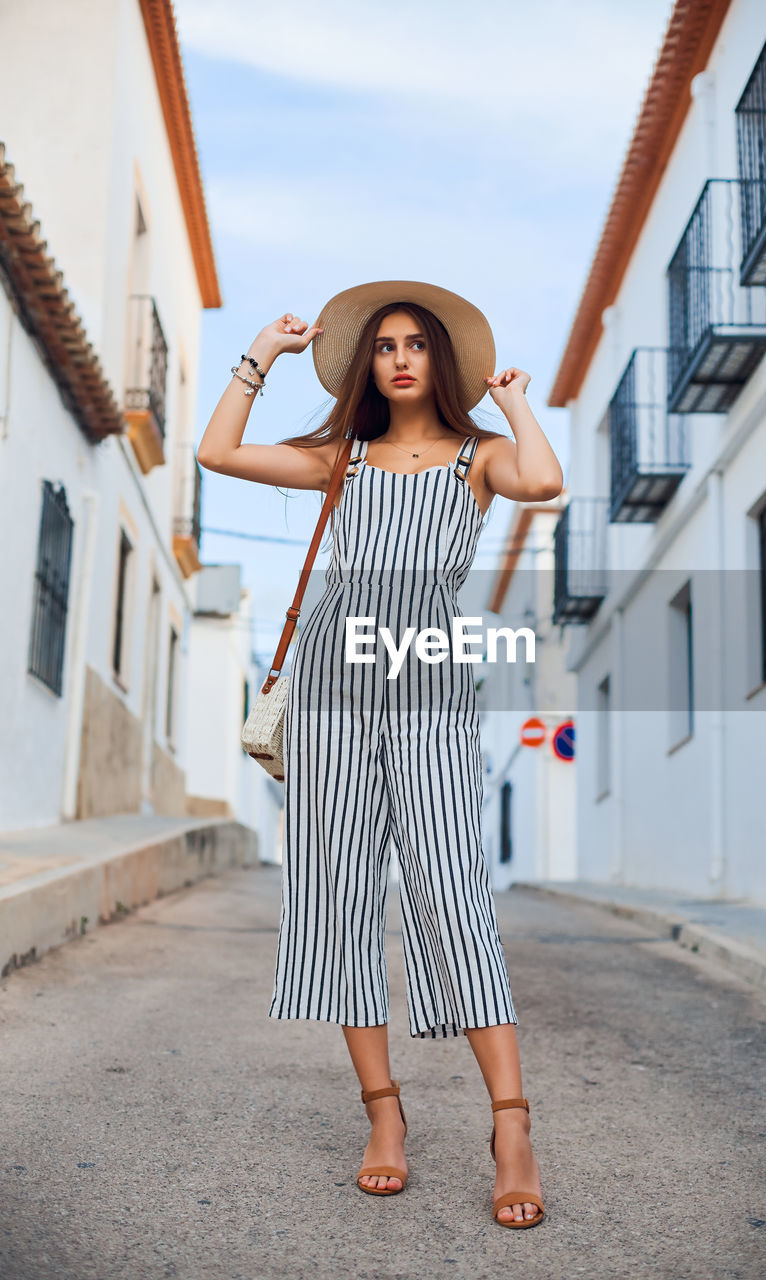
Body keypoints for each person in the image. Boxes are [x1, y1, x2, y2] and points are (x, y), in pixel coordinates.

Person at [198, 280, 563, 1229]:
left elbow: (543, 481)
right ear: (369, 364)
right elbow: (217, 451)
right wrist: (260, 357)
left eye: (418, 345)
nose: (400, 357)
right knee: (337, 892)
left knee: (452, 890)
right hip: (330, 686)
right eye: (386, 346)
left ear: (444, 363)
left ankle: (511, 1125)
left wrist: (514, 400)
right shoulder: (342, 457)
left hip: (430, 686)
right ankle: (384, 1116)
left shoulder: (479, 457)